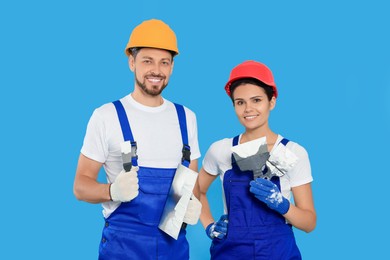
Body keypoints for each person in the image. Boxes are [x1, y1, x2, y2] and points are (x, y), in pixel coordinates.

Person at [73, 19, 202, 260]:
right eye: (147, 61)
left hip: (173, 249)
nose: (157, 70)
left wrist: (192, 204)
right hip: (122, 248)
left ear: (172, 66)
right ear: (132, 62)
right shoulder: (106, 116)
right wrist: (111, 190)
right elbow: (80, 186)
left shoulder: (187, 118)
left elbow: (190, 184)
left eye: (164, 62)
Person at [198, 60, 316, 259]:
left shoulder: (293, 152)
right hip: (230, 252)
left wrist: (282, 205)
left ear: (272, 101)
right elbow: (196, 191)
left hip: (278, 252)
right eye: (240, 102)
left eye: (256, 100)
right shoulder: (221, 150)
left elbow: (309, 223)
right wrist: (209, 225)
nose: (248, 109)